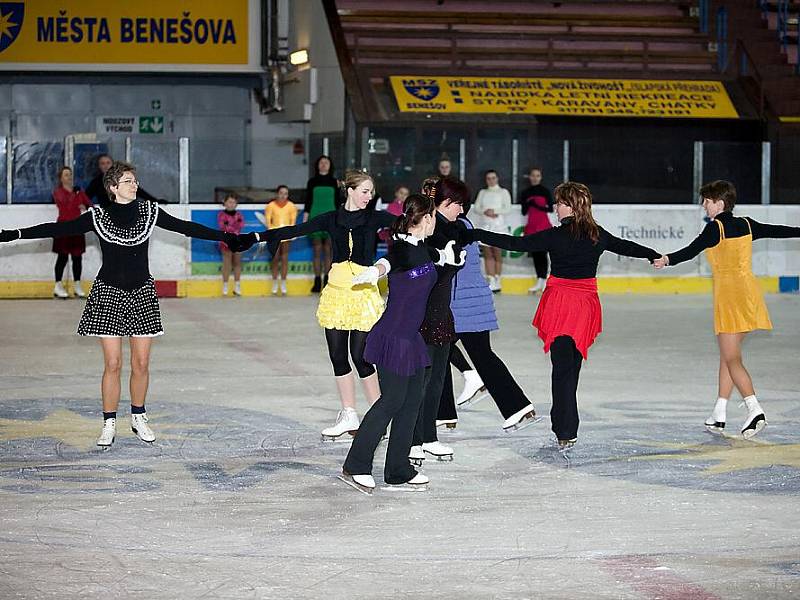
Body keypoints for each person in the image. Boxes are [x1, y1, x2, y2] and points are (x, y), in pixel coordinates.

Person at [0, 161, 242, 447]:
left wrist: (227, 237)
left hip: (142, 294)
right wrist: (15, 234)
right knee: (112, 364)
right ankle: (109, 423)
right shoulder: (98, 215)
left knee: (141, 363)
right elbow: (59, 229)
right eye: (128, 181)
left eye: (134, 180)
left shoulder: (149, 212)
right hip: (107, 295)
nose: (134, 185)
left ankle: (138, 417)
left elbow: (185, 227)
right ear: (113, 187)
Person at [466, 182, 660, 454]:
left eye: (558, 203)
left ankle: (565, 429)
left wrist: (476, 233)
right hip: (584, 306)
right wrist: (653, 255)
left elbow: (516, 243)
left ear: (569, 206)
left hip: (560, 304)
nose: (555, 207)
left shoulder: (555, 236)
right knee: (571, 367)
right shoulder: (597, 235)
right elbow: (626, 246)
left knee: (561, 369)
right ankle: (567, 428)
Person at [254, 170, 395, 440]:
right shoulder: (332, 218)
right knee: (338, 356)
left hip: (364, 294)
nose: (370, 196)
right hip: (337, 293)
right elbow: (297, 229)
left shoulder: (376, 217)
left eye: (371, 192)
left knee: (362, 358)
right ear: (350, 191)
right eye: (365, 191)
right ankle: (349, 413)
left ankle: (380, 416)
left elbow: (407, 227)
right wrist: (260, 237)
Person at [654, 180, 800, 438]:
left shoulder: (715, 228)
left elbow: (690, 251)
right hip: (749, 293)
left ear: (719, 203)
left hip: (731, 297)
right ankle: (719, 413)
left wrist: (666, 260)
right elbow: (777, 230)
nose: (703, 206)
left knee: (732, 358)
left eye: (707, 201)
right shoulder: (745, 223)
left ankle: (754, 408)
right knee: (727, 354)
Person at [339, 193, 460, 493]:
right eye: (435, 217)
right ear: (427, 218)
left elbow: (432, 261)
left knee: (411, 402)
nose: (437, 223)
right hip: (393, 337)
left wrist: (447, 260)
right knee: (391, 401)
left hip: (412, 338)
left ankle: (398, 469)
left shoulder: (424, 247)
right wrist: (373, 272)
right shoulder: (403, 248)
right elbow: (389, 261)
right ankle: (355, 465)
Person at [436, 209, 540, 433]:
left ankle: (516, 406)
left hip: (462, 304)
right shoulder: (463, 225)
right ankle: (445, 413)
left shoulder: (455, 227)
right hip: (469, 300)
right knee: (444, 352)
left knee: (469, 354)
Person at [410, 176, 469, 465]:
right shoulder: (429, 231)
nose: (462, 209)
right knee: (420, 379)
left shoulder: (454, 229)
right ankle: (413, 440)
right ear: (445, 202)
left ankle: (429, 436)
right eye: (459, 203)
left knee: (437, 379)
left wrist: (452, 264)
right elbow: (419, 271)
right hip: (423, 311)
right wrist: (444, 262)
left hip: (442, 312)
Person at [51, 166, 92, 299]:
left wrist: (85, 206)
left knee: (77, 257)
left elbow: (90, 205)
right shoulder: (58, 192)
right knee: (62, 257)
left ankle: (77, 285)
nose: (69, 177)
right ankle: (57, 285)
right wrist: (77, 199)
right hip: (63, 227)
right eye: (66, 175)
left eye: (70, 174)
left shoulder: (79, 192)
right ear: (61, 178)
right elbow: (66, 205)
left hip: (77, 227)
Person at [471, 170, 512, 292]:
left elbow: (507, 208)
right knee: (487, 253)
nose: (491, 180)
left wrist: (495, 211)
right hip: (485, 225)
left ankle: (497, 278)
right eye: (488, 178)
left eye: (493, 178)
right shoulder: (482, 192)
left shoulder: (503, 192)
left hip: (498, 226)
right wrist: (485, 211)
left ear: (497, 178)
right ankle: (491, 278)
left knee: (497, 252)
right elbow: (477, 207)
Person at [304, 155, 340, 293]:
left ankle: (327, 280)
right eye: (321, 162)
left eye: (326, 162)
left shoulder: (334, 182)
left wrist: (339, 219)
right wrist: (305, 219)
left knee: (329, 250)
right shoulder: (312, 181)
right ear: (317, 165)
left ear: (330, 165)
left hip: (331, 218)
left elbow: (338, 202)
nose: (324, 165)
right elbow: (308, 201)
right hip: (316, 216)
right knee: (317, 250)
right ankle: (317, 280)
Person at [519, 167, 554, 294]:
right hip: (532, 226)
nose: (535, 178)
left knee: (543, 254)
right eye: (533, 175)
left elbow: (550, 209)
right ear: (529, 177)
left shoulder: (545, 191)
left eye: (537, 175)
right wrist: (530, 204)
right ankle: (539, 280)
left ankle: (544, 280)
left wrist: (536, 205)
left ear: (540, 177)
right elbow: (524, 211)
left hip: (543, 225)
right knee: (536, 254)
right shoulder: (525, 192)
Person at [85, 153, 163, 208]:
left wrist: (155, 201)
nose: (105, 166)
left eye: (108, 163)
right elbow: (86, 197)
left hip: (125, 212)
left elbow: (139, 192)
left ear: (112, 164)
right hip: (107, 214)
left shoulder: (123, 177)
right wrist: (86, 206)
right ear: (99, 166)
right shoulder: (96, 182)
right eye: (102, 163)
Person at [265, 185, 298, 296]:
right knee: (275, 258)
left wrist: (291, 233)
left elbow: (293, 221)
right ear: (277, 194)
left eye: (285, 193)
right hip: (275, 234)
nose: (283, 195)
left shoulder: (291, 206)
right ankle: (275, 282)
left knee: (284, 258)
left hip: (286, 235)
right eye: (281, 193)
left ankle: (283, 283)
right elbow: (268, 221)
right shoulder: (270, 206)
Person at [218, 193, 245, 297]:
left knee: (237, 263)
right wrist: (232, 227)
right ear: (224, 203)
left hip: (237, 241)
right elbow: (223, 227)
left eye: (234, 202)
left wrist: (231, 226)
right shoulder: (221, 215)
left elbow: (241, 225)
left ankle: (237, 285)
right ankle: (225, 285)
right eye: (229, 202)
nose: (232, 204)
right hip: (226, 241)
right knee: (227, 264)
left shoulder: (239, 215)